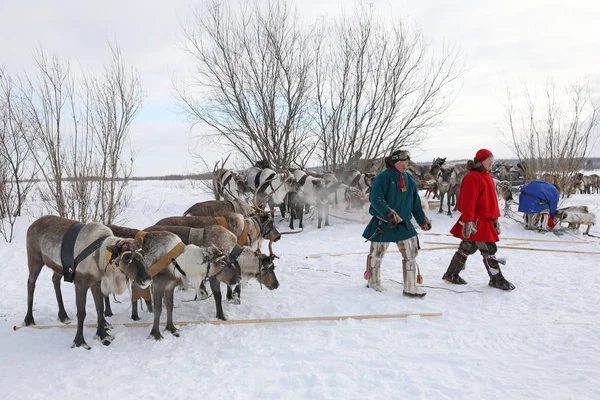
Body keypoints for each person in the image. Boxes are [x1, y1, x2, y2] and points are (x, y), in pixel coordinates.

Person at [442, 149, 515, 290]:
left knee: (466, 247)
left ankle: (451, 274)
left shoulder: (486, 176)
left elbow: (491, 201)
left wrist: (495, 219)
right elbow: (467, 202)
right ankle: (497, 279)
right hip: (476, 221)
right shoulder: (473, 177)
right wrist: (468, 222)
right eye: (489, 161)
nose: (491, 164)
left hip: (486, 220)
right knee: (488, 249)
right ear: (481, 161)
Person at [362, 149, 432, 297]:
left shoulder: (409, 178)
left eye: (407, 161)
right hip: (384, 223)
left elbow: (415, 203)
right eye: (402, 161)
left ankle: (410, 286)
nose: (405, 164)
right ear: (394, 162)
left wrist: (422, 220)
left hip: (404, 224)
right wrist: (389, 213)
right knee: (377, 254)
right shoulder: (383, 177)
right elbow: (376, 200)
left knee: (411, 253)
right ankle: (373, 281)